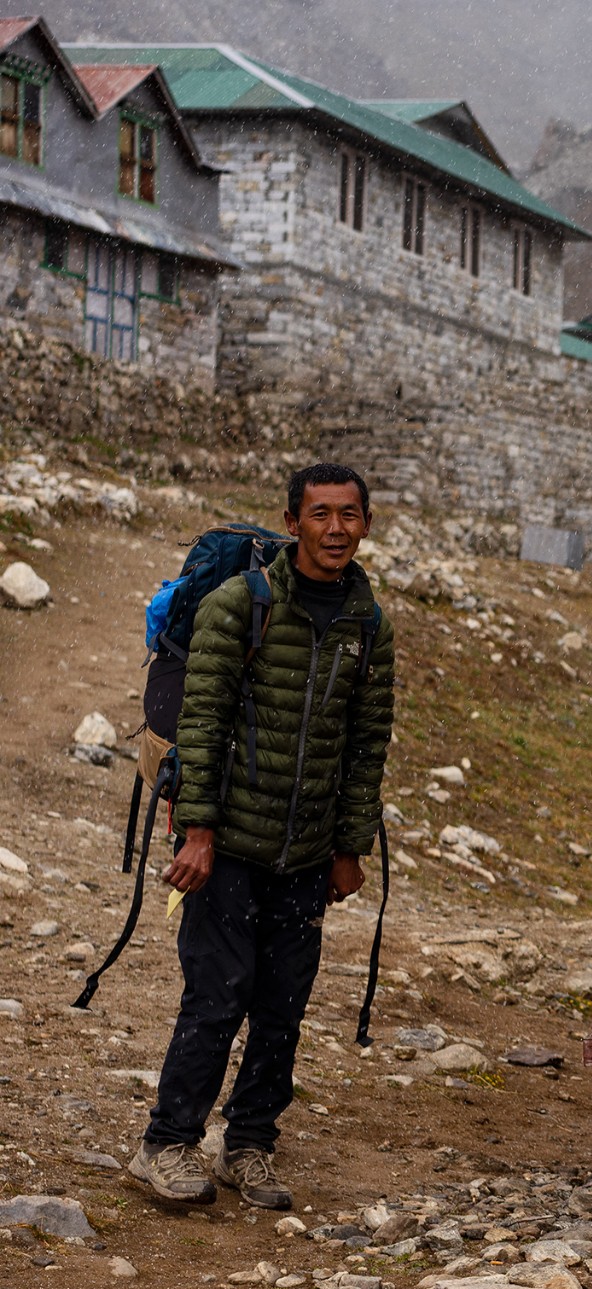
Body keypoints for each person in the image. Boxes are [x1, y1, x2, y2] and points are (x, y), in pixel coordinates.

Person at [126, 462, 395, 1211]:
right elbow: (203, 724)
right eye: (320, 514)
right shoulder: (237, 605)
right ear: (291, 521)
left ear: (366, 524)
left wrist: (349, 846)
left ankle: (247, 1145)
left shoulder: (368, 624)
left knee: (282, 1002)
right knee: (218, 995)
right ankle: (165, 1142)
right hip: (228, 844)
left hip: (306, 852)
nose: (335, 529)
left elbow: (365, 741)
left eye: (348, 515)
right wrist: (199, 831)